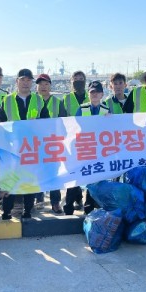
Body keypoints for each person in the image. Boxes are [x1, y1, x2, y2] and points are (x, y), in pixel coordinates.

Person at [0, 68, 47, 220]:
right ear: (16, 81)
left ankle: (28, 211)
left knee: (29, 178)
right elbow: (1, 121)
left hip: (31, 147)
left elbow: (46, 121)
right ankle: (7, 211)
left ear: (32, 82)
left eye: (28, 80)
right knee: (10, 179)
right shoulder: (7, 100)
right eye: (22, 80)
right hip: (12, 147)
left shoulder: (38, 100)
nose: (25, 83)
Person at [74, 80, 110, 214]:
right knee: (87, 177)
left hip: (101, 149)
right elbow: (74, 126)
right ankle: (87, 205)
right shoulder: (82, 109)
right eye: (92, 92)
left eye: (97, 92)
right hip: (86, 148)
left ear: (101, 94)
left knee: (100, 177)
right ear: (89, 94)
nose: (94, 95)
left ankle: (99, 204)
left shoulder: (106, 110)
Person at [36, 73, 65, 214]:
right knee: (37, 172)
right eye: (40, 84)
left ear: (50, 86)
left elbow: (65, 121)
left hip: (53, 143)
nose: (43, 87)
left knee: (54, 173)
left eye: (46, 84)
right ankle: (38, 199)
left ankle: (55, 202)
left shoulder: (57, 102)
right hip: (34, 143)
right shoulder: (32, 101)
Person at [61, 70, 89, 213]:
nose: (78, 81)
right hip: (71, 140)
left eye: (81, 78)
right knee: (72, 172)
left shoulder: (91, 96)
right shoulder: (66, 99)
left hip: (88, 141)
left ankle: (82, 200)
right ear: (71, 81)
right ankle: (69, 205)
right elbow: (61, 118)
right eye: (75, 79)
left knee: (87, 172)